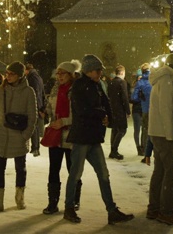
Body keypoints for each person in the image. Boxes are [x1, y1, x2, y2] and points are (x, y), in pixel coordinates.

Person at [62, 54, 134, 225]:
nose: (101, 73)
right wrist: (102, 114)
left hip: (93, 137)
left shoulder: (96, 85)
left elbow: (106, 103)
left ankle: (111, 210)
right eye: (98, 70)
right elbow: (82, 110)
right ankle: (69, 208)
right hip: (82, 136)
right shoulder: (80, 86)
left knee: (103, 174)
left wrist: (109, 116)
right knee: (75, 175)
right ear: (89, 71)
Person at [0, 62, 37, 212]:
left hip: (18, 135)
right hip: (1, 134)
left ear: (20, 76)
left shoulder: (28, 92)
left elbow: (32, 117)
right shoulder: (2, 90)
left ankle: (20, 198)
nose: (8, 76)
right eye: (7, 73)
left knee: (20, 168)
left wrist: (25, 135)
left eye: (11, 74)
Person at [146, 53, 173, 227]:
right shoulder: (167, 80)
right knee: (171, 172)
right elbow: (166, 109)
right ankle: (166, 211)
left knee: (160, 171)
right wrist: (171, 134)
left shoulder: (163, 78)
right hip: (163, 133)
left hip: (158, 132)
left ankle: (154, 208)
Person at [42, 60, 82, 215]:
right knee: (54, 169)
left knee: (73, 170)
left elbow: (78, 114)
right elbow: (51, 107)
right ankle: (52, 202)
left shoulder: (76, 90)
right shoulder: (55, 89)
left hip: (71, 136)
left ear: (71, 75)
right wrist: (47, 114)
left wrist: (64, 121)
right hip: (56, 136)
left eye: (62, 73)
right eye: (57, 73)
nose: (59, 76)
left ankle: (73, 200)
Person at [108, 64, 130, 160]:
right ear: (121, 73)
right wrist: (128, 111)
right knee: (122, 129)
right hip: (120, 110)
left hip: (112, 109)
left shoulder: (111, 82)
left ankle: (112, 150)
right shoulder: (122, 82)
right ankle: (114, 150)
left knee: (115, 129)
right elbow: (124, 98)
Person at [131, 63, 152, 157]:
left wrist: (140, 96)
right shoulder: (154, 80)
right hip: (155, 109)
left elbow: (134, 98)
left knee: (144, 129)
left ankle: (144, 149)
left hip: (144, 108)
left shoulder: (140, 82)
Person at [25, 63, 46, 156]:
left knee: (34, 126)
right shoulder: (37, 77)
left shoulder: (33, 78)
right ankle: (35, 147)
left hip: (35, 105)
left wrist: (36, 105)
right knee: (35, 126)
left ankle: (35, 148)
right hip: (38, 104)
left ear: (27, 70)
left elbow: (35, 93)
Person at [130, 69, 144, 155]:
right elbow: (132, 99)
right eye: (139, 77)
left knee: (144, 129)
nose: (140, 79)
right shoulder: (134, 86)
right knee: (137, 130)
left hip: (143, 110)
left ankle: (143, 146)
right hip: (136, 110)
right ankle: (138, 147)